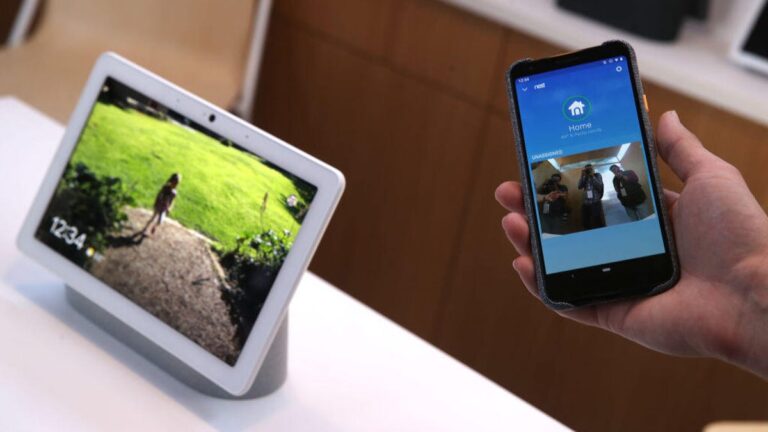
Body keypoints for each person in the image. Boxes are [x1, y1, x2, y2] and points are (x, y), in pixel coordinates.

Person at [495, 111, 768, 379]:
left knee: (615, 223)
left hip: (610, 201)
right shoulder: (589, 176)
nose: (614, 170)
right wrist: (584, 176)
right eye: (613, 169)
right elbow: (580, 187)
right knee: (585, 229)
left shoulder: (610, 175)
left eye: (615, 168)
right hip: (595, 204)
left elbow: (612, 186)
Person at [577, 163, 605, 229]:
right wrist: (582, 176)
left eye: (590, 169)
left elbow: (600, 186)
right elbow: (579, 187)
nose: (588, 170)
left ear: (593, 169)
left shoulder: (597, 175)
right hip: (586, 202)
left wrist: (592, 176)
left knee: (597, 220)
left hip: (595, 201)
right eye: (587, 169)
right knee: (585, 221)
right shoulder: (584, 177)